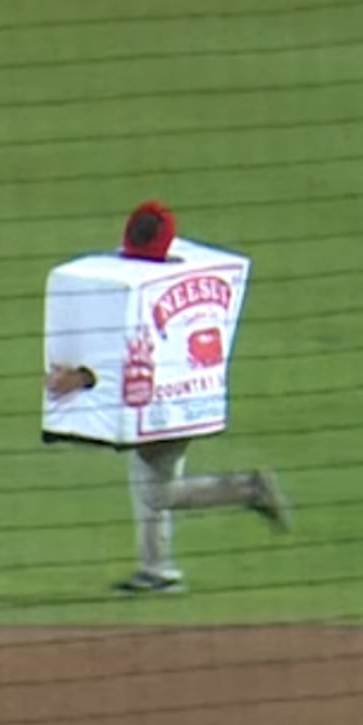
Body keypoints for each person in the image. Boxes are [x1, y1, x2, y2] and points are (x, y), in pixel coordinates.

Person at [43, 203, 292, 595]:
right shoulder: (173, 276)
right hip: (189, 396)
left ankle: (247, 488)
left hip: (160, 407)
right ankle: (157, 571)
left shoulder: (138, 295)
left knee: (158, 492)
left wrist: (78, 378)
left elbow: (125, 358)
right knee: (149, 481)